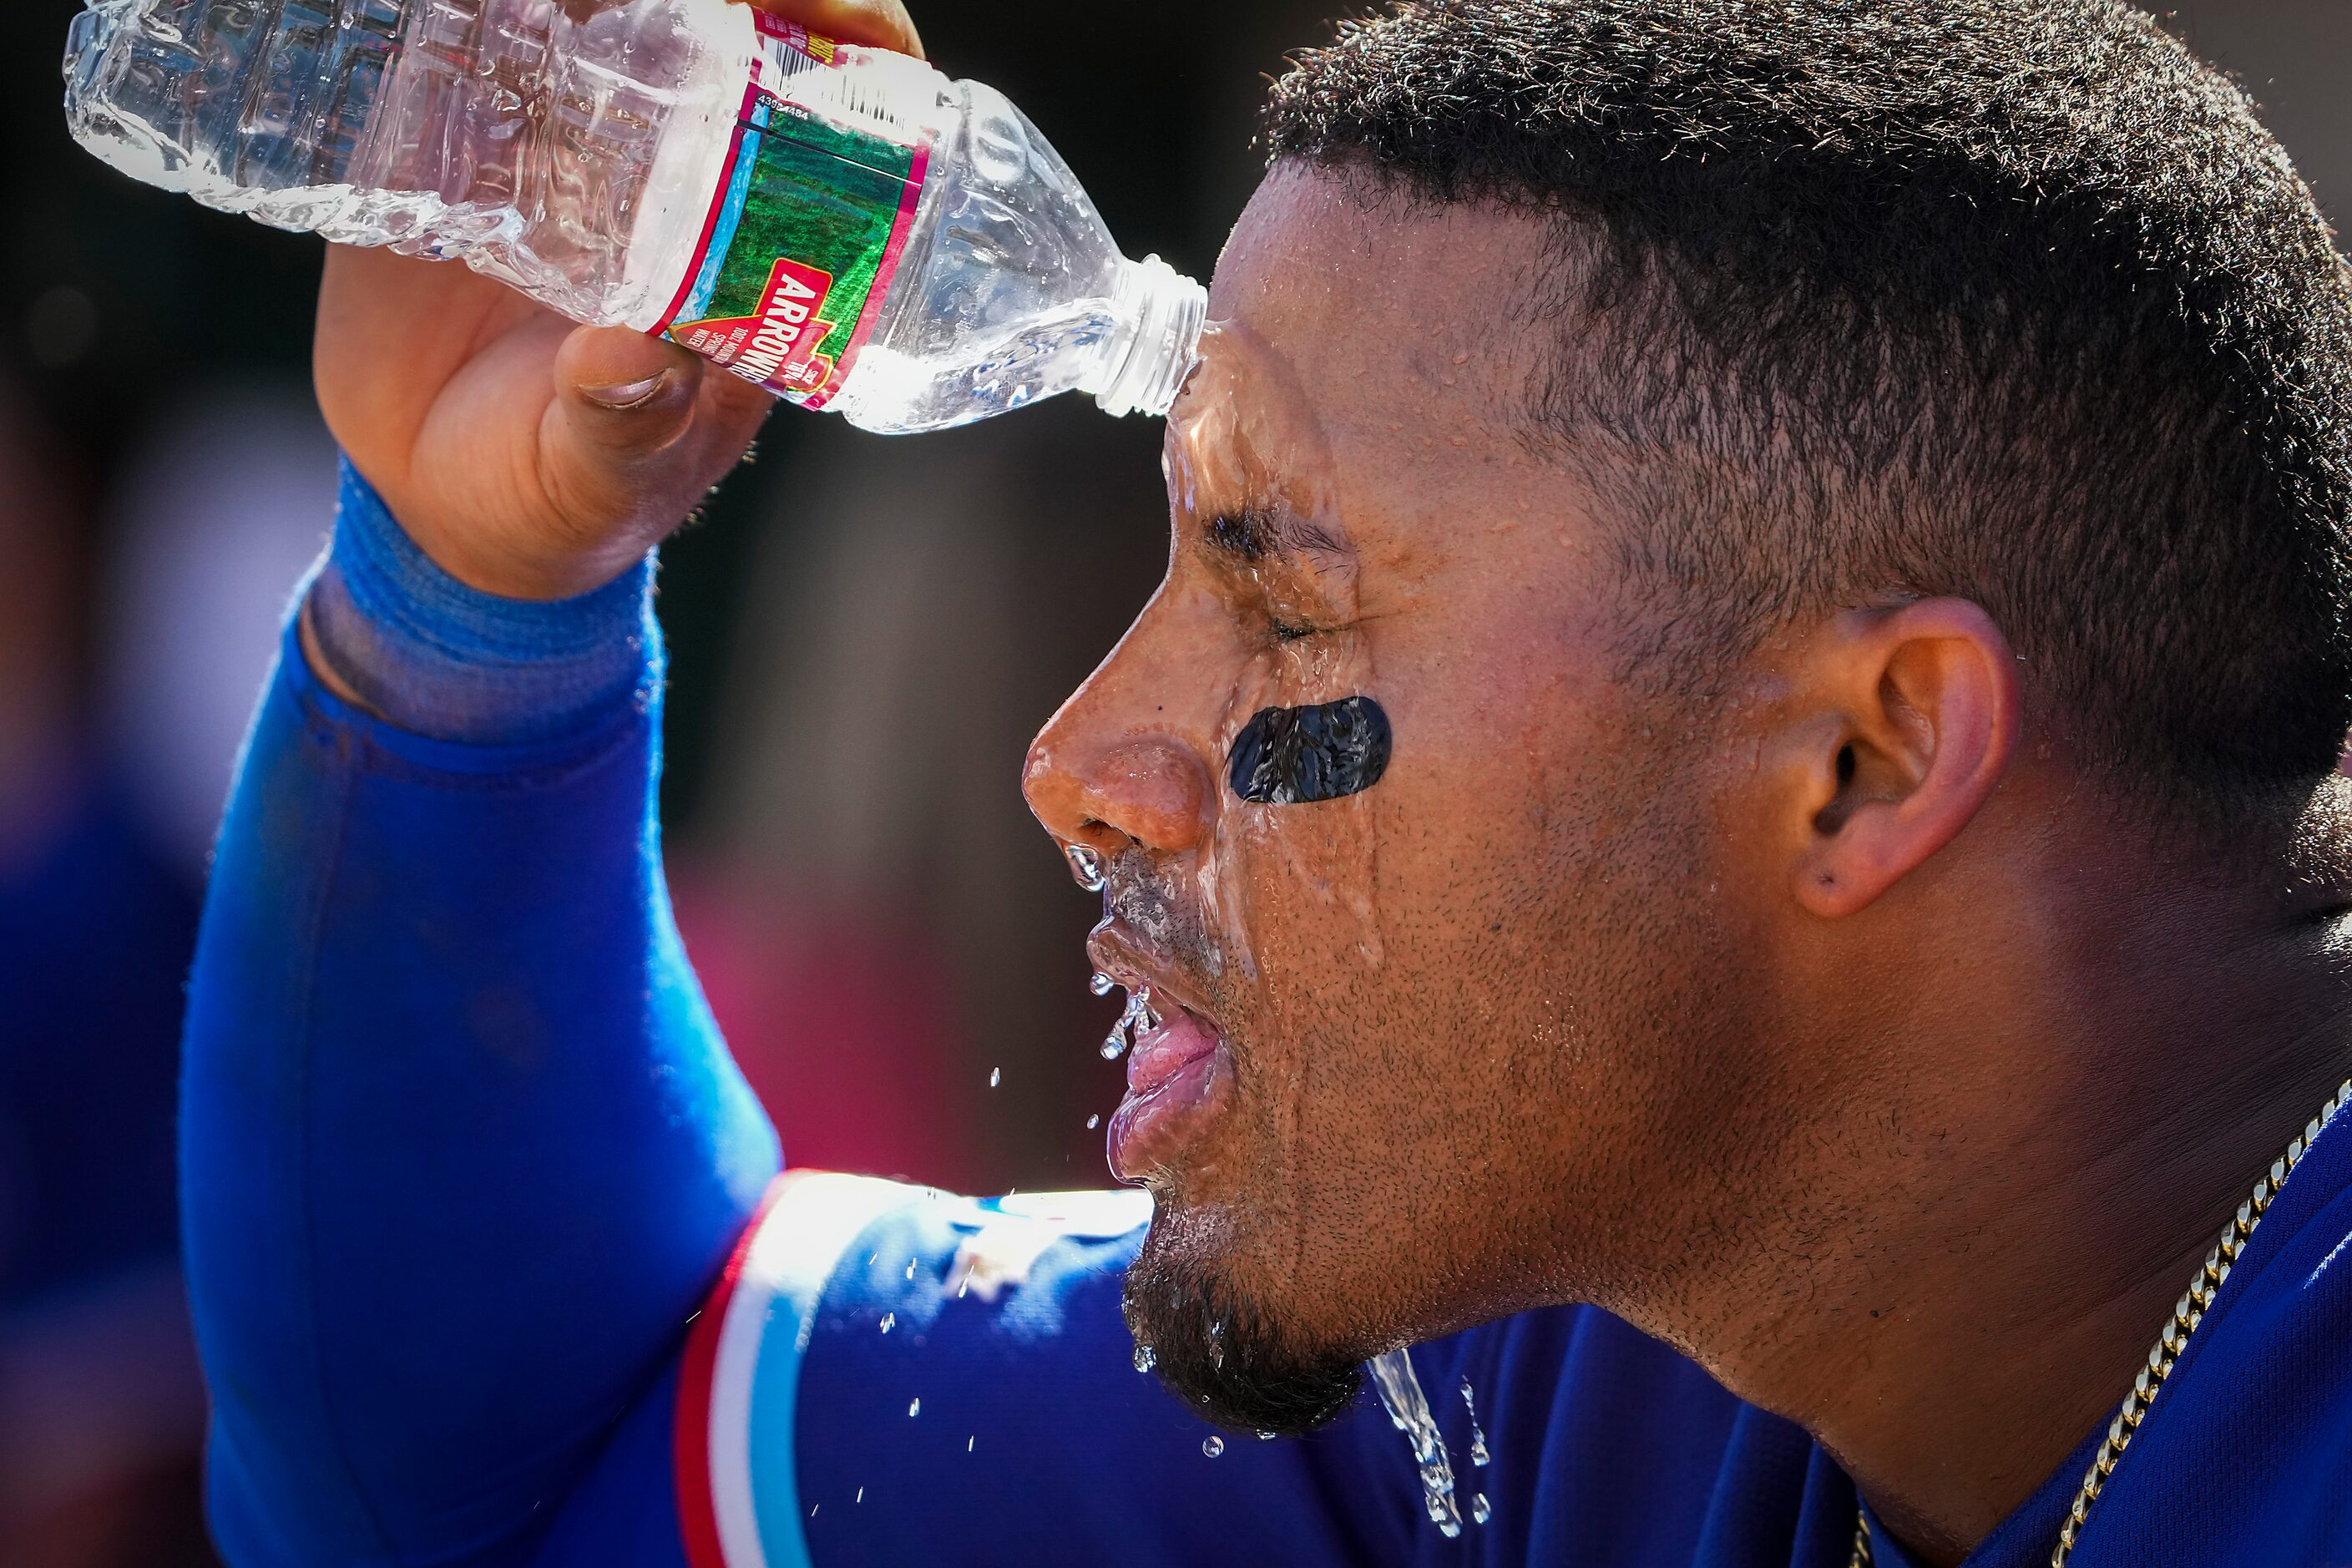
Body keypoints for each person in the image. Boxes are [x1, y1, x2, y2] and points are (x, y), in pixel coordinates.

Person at [177, 0, 2352, 1564]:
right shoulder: (1576, 1355)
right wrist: (478, 600)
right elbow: (509, 1483)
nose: (1080, 769)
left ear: (1861, 765)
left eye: (1282, 599)